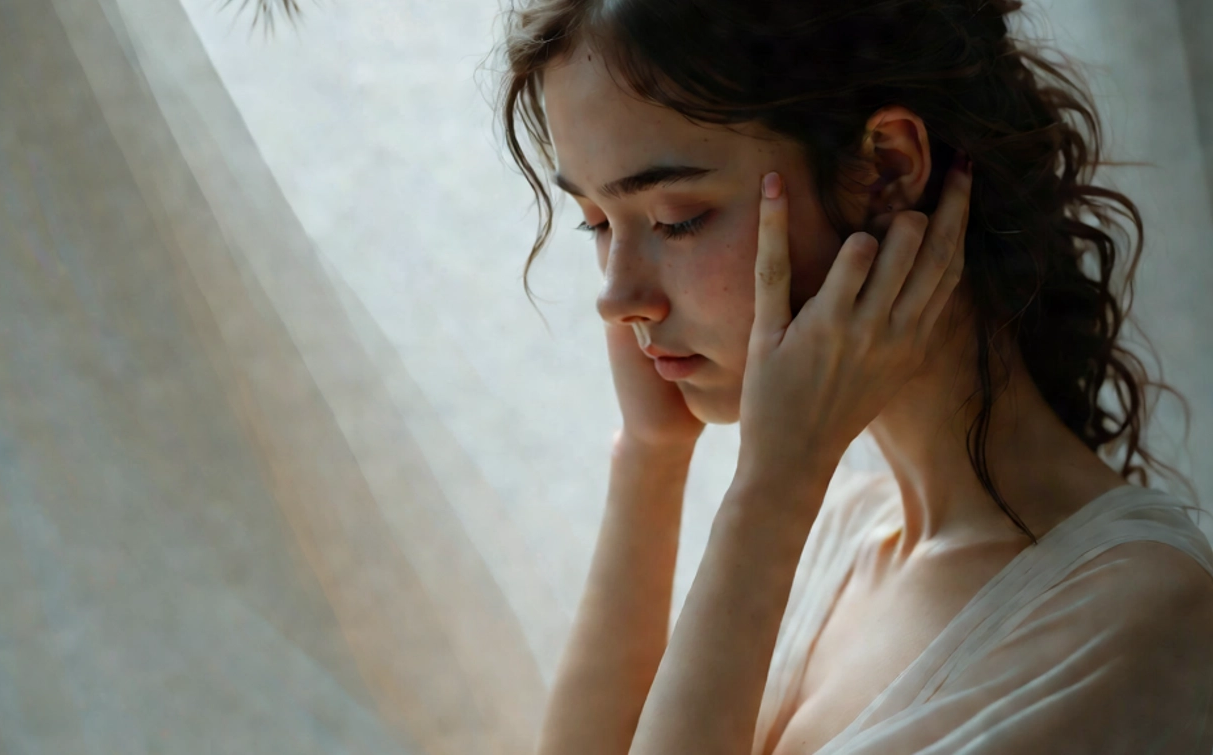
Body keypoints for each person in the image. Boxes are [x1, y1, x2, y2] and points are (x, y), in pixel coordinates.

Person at [490, 1, 1213, 753]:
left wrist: (770, 495)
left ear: (888, 168)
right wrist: (651, 455)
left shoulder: (1142, 620)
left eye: (676, 218)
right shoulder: (840, 533)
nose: (615, 296)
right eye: (598, 224)